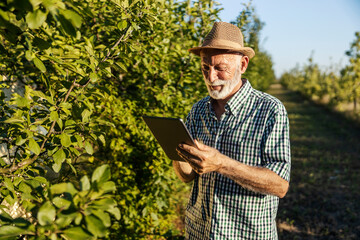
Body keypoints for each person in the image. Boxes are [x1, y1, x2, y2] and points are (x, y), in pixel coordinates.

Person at [173, 22, 291, 239]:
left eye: (220, 68)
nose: (211, 77)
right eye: (205, 68)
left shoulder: (270, 110)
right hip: (199, 231)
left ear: (243, 64)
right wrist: (178, 155)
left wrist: (222, 164)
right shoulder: (198, 110)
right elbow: (187, 177)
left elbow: (280, 185)